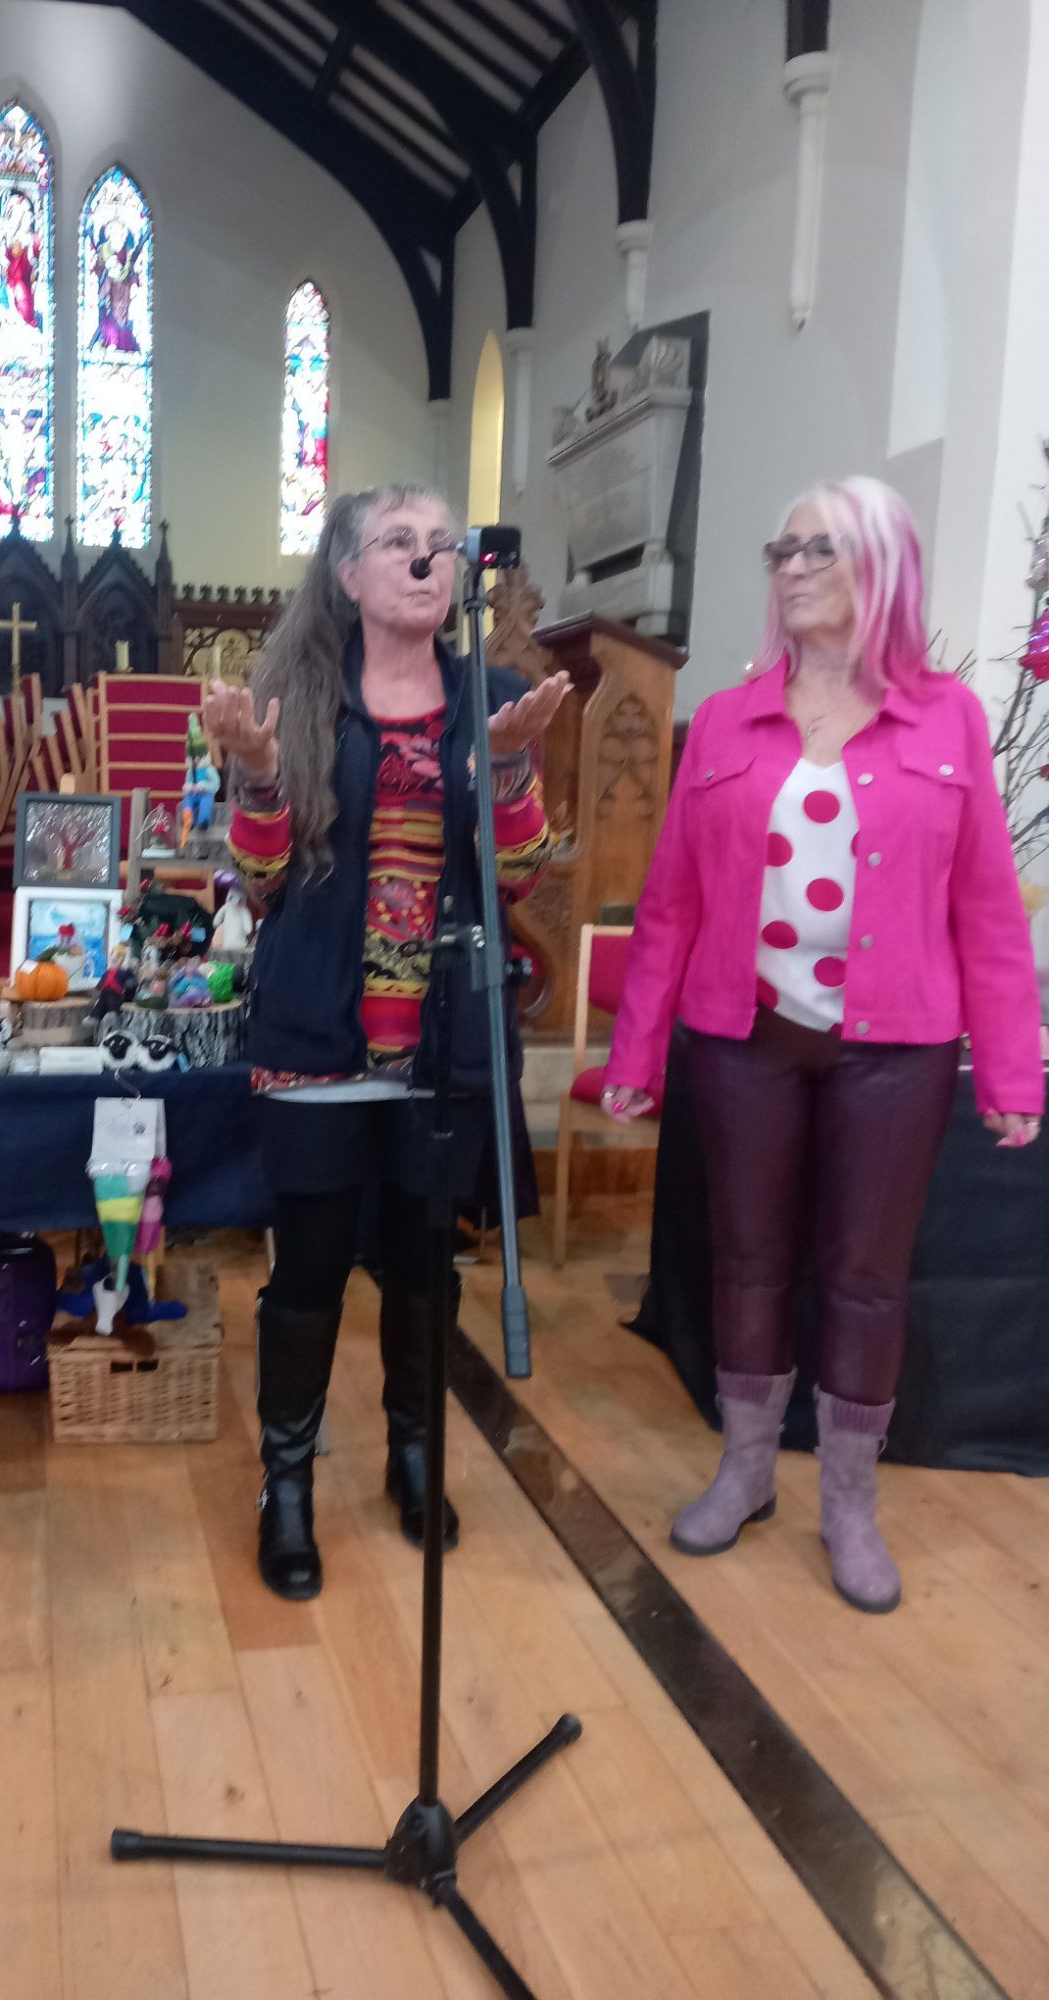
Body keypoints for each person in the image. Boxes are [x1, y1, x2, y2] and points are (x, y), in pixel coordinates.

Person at [602, 475, 1043, 1614]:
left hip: (895, 1046)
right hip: (746, 1036)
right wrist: (637, 1054)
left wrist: (1011, 1067)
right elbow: (670, 904)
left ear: (879, 565)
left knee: (862, 1278)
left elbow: (988, 908)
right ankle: (748, 1466)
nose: (792, 568)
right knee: (746, 1258)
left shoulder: (945, 717)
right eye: (781, 548)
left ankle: (848, 1499)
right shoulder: (730, 719)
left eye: (819, 549)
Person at [205, 484, 567, 1599]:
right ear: (349, 575)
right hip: (319, 1033)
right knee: (308, 1272)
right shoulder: (292, 701)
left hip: (443, 1041)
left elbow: (517, 880)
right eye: (397, 543)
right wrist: (259, 775)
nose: (425, 559)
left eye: (440, 543)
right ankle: (289, 1483)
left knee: (423, 1268)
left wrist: (504, 768)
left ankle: (417, 1450)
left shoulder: (495, 699)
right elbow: (261, 887)